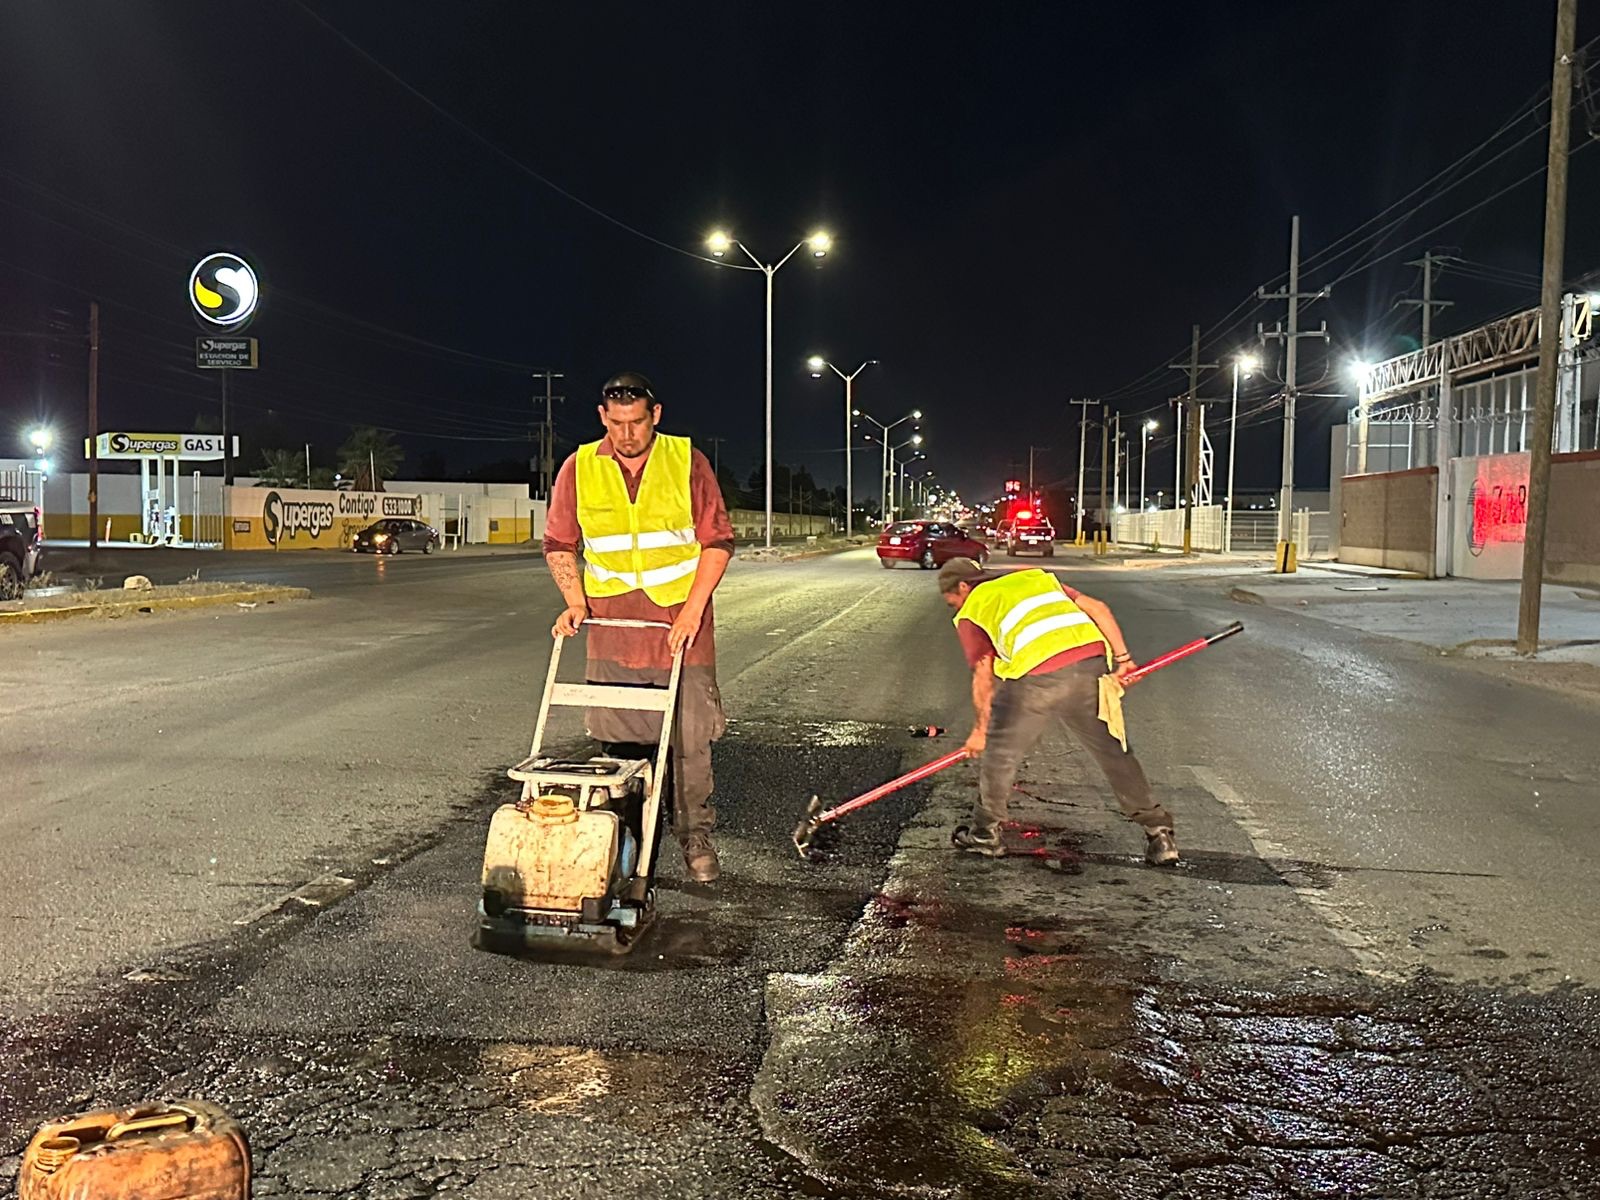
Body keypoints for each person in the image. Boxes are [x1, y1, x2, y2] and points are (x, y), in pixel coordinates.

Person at [542, 372, 734, 882]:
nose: (628, 434)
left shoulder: (686, 461)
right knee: (620, 745)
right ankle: (623, 838)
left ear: (656, 415)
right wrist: (574, 602)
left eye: (637, 422)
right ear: (604, 417)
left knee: (689, 742)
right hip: (615, 631)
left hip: (681, 631)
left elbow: (717, 542)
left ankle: (695, 839)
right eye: (618, 423)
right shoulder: (578, 467)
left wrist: (693, 611)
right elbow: (560, 544)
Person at [937, 557, 1179, 866]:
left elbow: (983, 674)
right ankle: (1159, 835)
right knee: (1113, 753)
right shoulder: (1036, 579)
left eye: (952, 601)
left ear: (962, 586)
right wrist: (1125, 659)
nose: (955, 608)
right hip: (1090, 664)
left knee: (1000, 753)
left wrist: (980, 731)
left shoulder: (973, 609)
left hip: (1039, 675)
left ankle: (985, 835)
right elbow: (1098, 608)